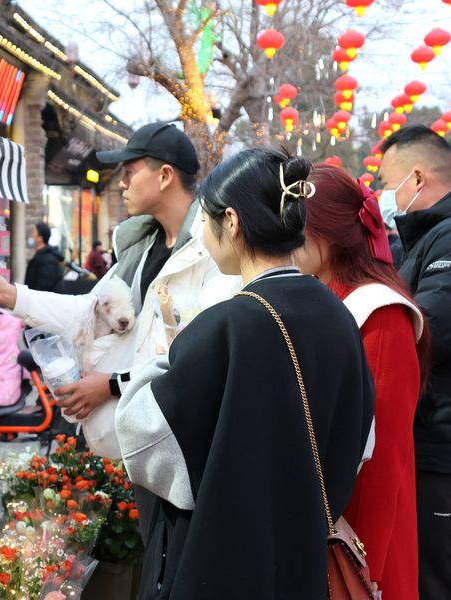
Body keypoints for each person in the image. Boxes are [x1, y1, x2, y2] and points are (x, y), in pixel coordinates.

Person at [114, 149, 375, 598]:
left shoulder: (226, 325)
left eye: (206, 222)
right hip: (303, 554)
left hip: (219, 561)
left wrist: (163, 360)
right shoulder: (339, 315)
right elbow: (362, 441)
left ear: (231, 222)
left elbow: (142, 443)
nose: (201, 234)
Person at [0, 122, 239, 423]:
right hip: (140, 435)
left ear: (164, 176)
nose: (122, 183)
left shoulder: (215, 249)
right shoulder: (141, 246)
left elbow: (202, 355)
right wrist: (9, 294)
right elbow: (90, 309)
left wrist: (113, 385)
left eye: (129, 172)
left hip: (185, 435)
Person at [296, 164, 428, 599]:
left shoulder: (379, 312)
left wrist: (361, 562)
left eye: (297, 226)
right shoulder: (327, 295)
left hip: (360, 529)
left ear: (328, 232)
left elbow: (380, 462)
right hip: (328, 516)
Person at [379, 125, 451, 600]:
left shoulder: (445, 241)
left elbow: (429, 331)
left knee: (435, 577)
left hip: (440, 445)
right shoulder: (427, 238)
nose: (386, 195)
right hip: (427, 440)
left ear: (418, 179)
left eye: (388, 182)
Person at [24, 222, 64, 291]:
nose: (31, 236)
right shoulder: (40, 257)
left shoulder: (48, 261)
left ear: (40, 238)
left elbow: (43, 288)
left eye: (33, 233)